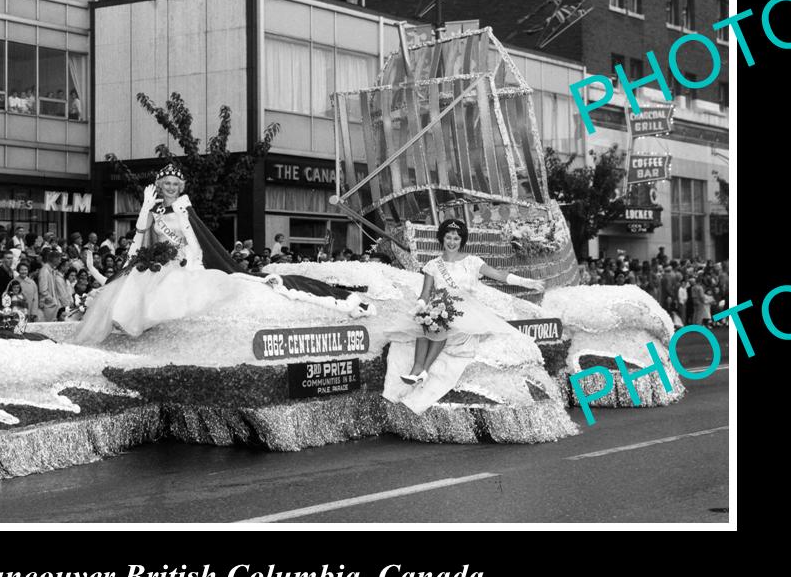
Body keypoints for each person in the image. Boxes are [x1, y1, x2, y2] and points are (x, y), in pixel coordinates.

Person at [73, 163, 371, 345]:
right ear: (159, 186)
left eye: (175, 185)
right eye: (167, 184)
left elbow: (193, 239)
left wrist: (193, 262)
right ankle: (127, 323)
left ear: (181, 187)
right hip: (160, 261)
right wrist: (143, 208)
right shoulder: (153, 208)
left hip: (181, 261)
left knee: (177, 290)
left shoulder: (183, 207)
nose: (171, 188)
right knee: (136, 283)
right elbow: (140, 235)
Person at [382, 219, 545, 411]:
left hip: (466, 310)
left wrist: (526, 282)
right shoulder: (433, 265)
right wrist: (419, 306)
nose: (452, 241)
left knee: (442, 321)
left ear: (462, 240)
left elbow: (498, 275)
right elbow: (425, 294)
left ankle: (424, 369)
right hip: (439, 305)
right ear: (442, 238)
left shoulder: (472, 262)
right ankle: (418, 370)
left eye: (456, 238)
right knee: (426, 319)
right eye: (448, 237)